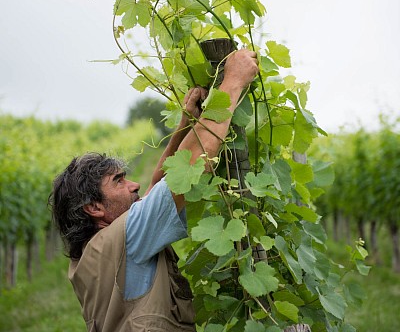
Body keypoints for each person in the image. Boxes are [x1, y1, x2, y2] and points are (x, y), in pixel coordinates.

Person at [49, 49, 259, 332]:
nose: (133, 184)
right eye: (119, 181)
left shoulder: (97, 249)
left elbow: (154, 191)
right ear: (94, 207)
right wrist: (233, 81)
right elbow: (193, 163)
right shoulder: (128, 236)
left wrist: (185, 126)